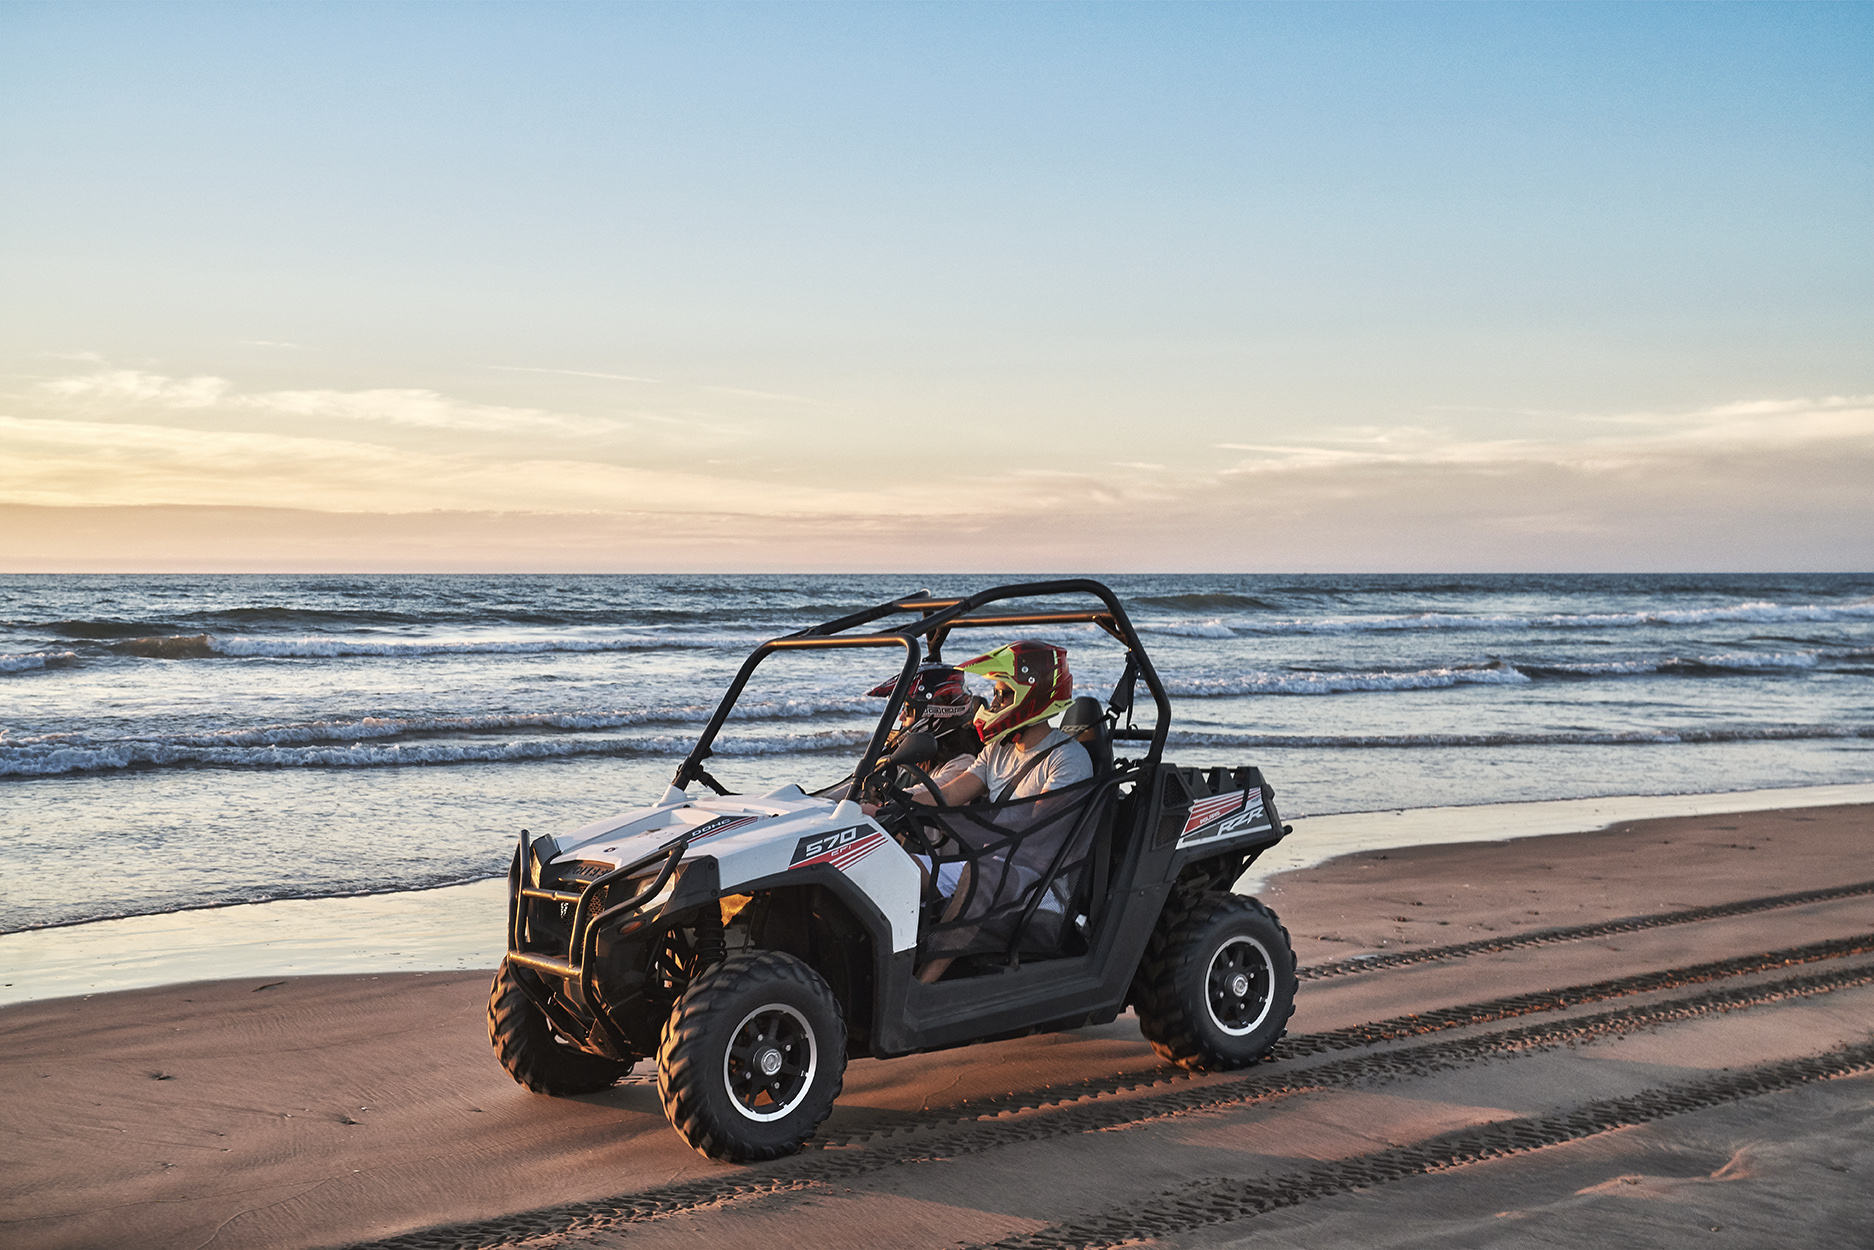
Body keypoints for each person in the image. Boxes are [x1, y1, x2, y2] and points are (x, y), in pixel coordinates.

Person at [912, 641, 1093, 982]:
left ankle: (921, 986)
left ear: (1033, 696)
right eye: (995, 694)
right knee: (903, 868)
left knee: (978, 874)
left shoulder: (1067, 759)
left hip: (1039, 885)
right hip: (991, 864)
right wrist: (892, 805)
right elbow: (948, 795)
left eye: (1003, 695)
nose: (993, 704)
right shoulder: (997, 750)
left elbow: (1035, 832)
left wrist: (963, 828)